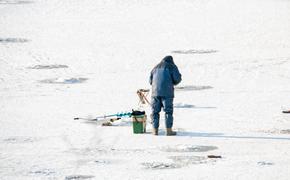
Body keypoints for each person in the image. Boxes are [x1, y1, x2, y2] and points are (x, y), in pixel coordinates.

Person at [149, 55, 182, 136]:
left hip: (155, 93)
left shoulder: (155, 67)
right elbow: (177, 79)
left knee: (155, 111)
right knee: (168, 111)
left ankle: (154, 130)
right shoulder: (172, 66)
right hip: (167, 93)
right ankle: (168, 131)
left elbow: (150, 81)